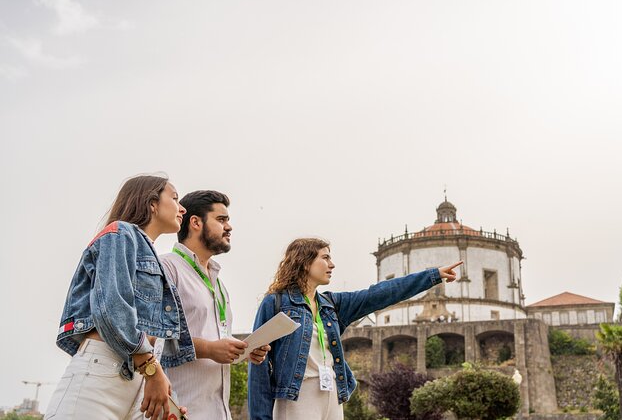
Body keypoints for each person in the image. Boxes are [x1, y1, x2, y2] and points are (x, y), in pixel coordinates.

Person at [247, 237, 462, 420]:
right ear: (304, 263)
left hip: (331, 393)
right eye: (325, 257)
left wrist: (431, 276)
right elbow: (258, 368)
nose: (332, 265)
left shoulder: (331, 305)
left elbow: (379, 294)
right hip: (297, 396)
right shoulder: (276, 304)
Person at [46, 175, 194, 420]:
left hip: (138, 376)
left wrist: (158, 380)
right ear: (151, 203)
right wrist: (152, 370)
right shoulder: (120, 234)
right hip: (105, 371)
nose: (182, 207)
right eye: (175, 198)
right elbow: (112, 309)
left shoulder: (151, 254)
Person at [160, 190, 270, 419]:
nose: (229, 227)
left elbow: (215, 340)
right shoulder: (166, 268)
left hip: (219, 412)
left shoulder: (218, 284)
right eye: (221, 220)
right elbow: (155, 338)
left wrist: (244, 349)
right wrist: (209, 349)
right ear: (195, 222)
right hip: (179, 408)